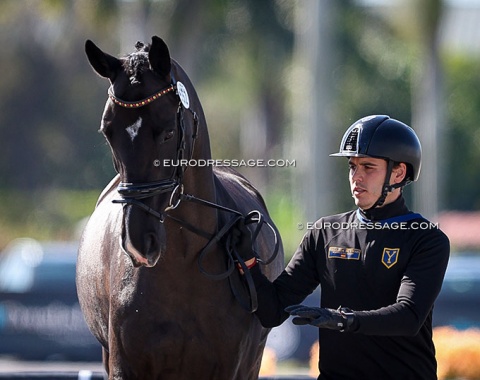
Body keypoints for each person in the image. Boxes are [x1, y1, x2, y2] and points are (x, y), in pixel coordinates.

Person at [235, 115, 450, 380]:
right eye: (352, 166)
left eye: (368, 167)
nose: (356, 177)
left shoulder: (427, 239)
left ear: (399, 173)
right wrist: (247, 261)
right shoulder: (325, 233)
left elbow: (408, 316)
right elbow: (273, 309)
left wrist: (340, 319)